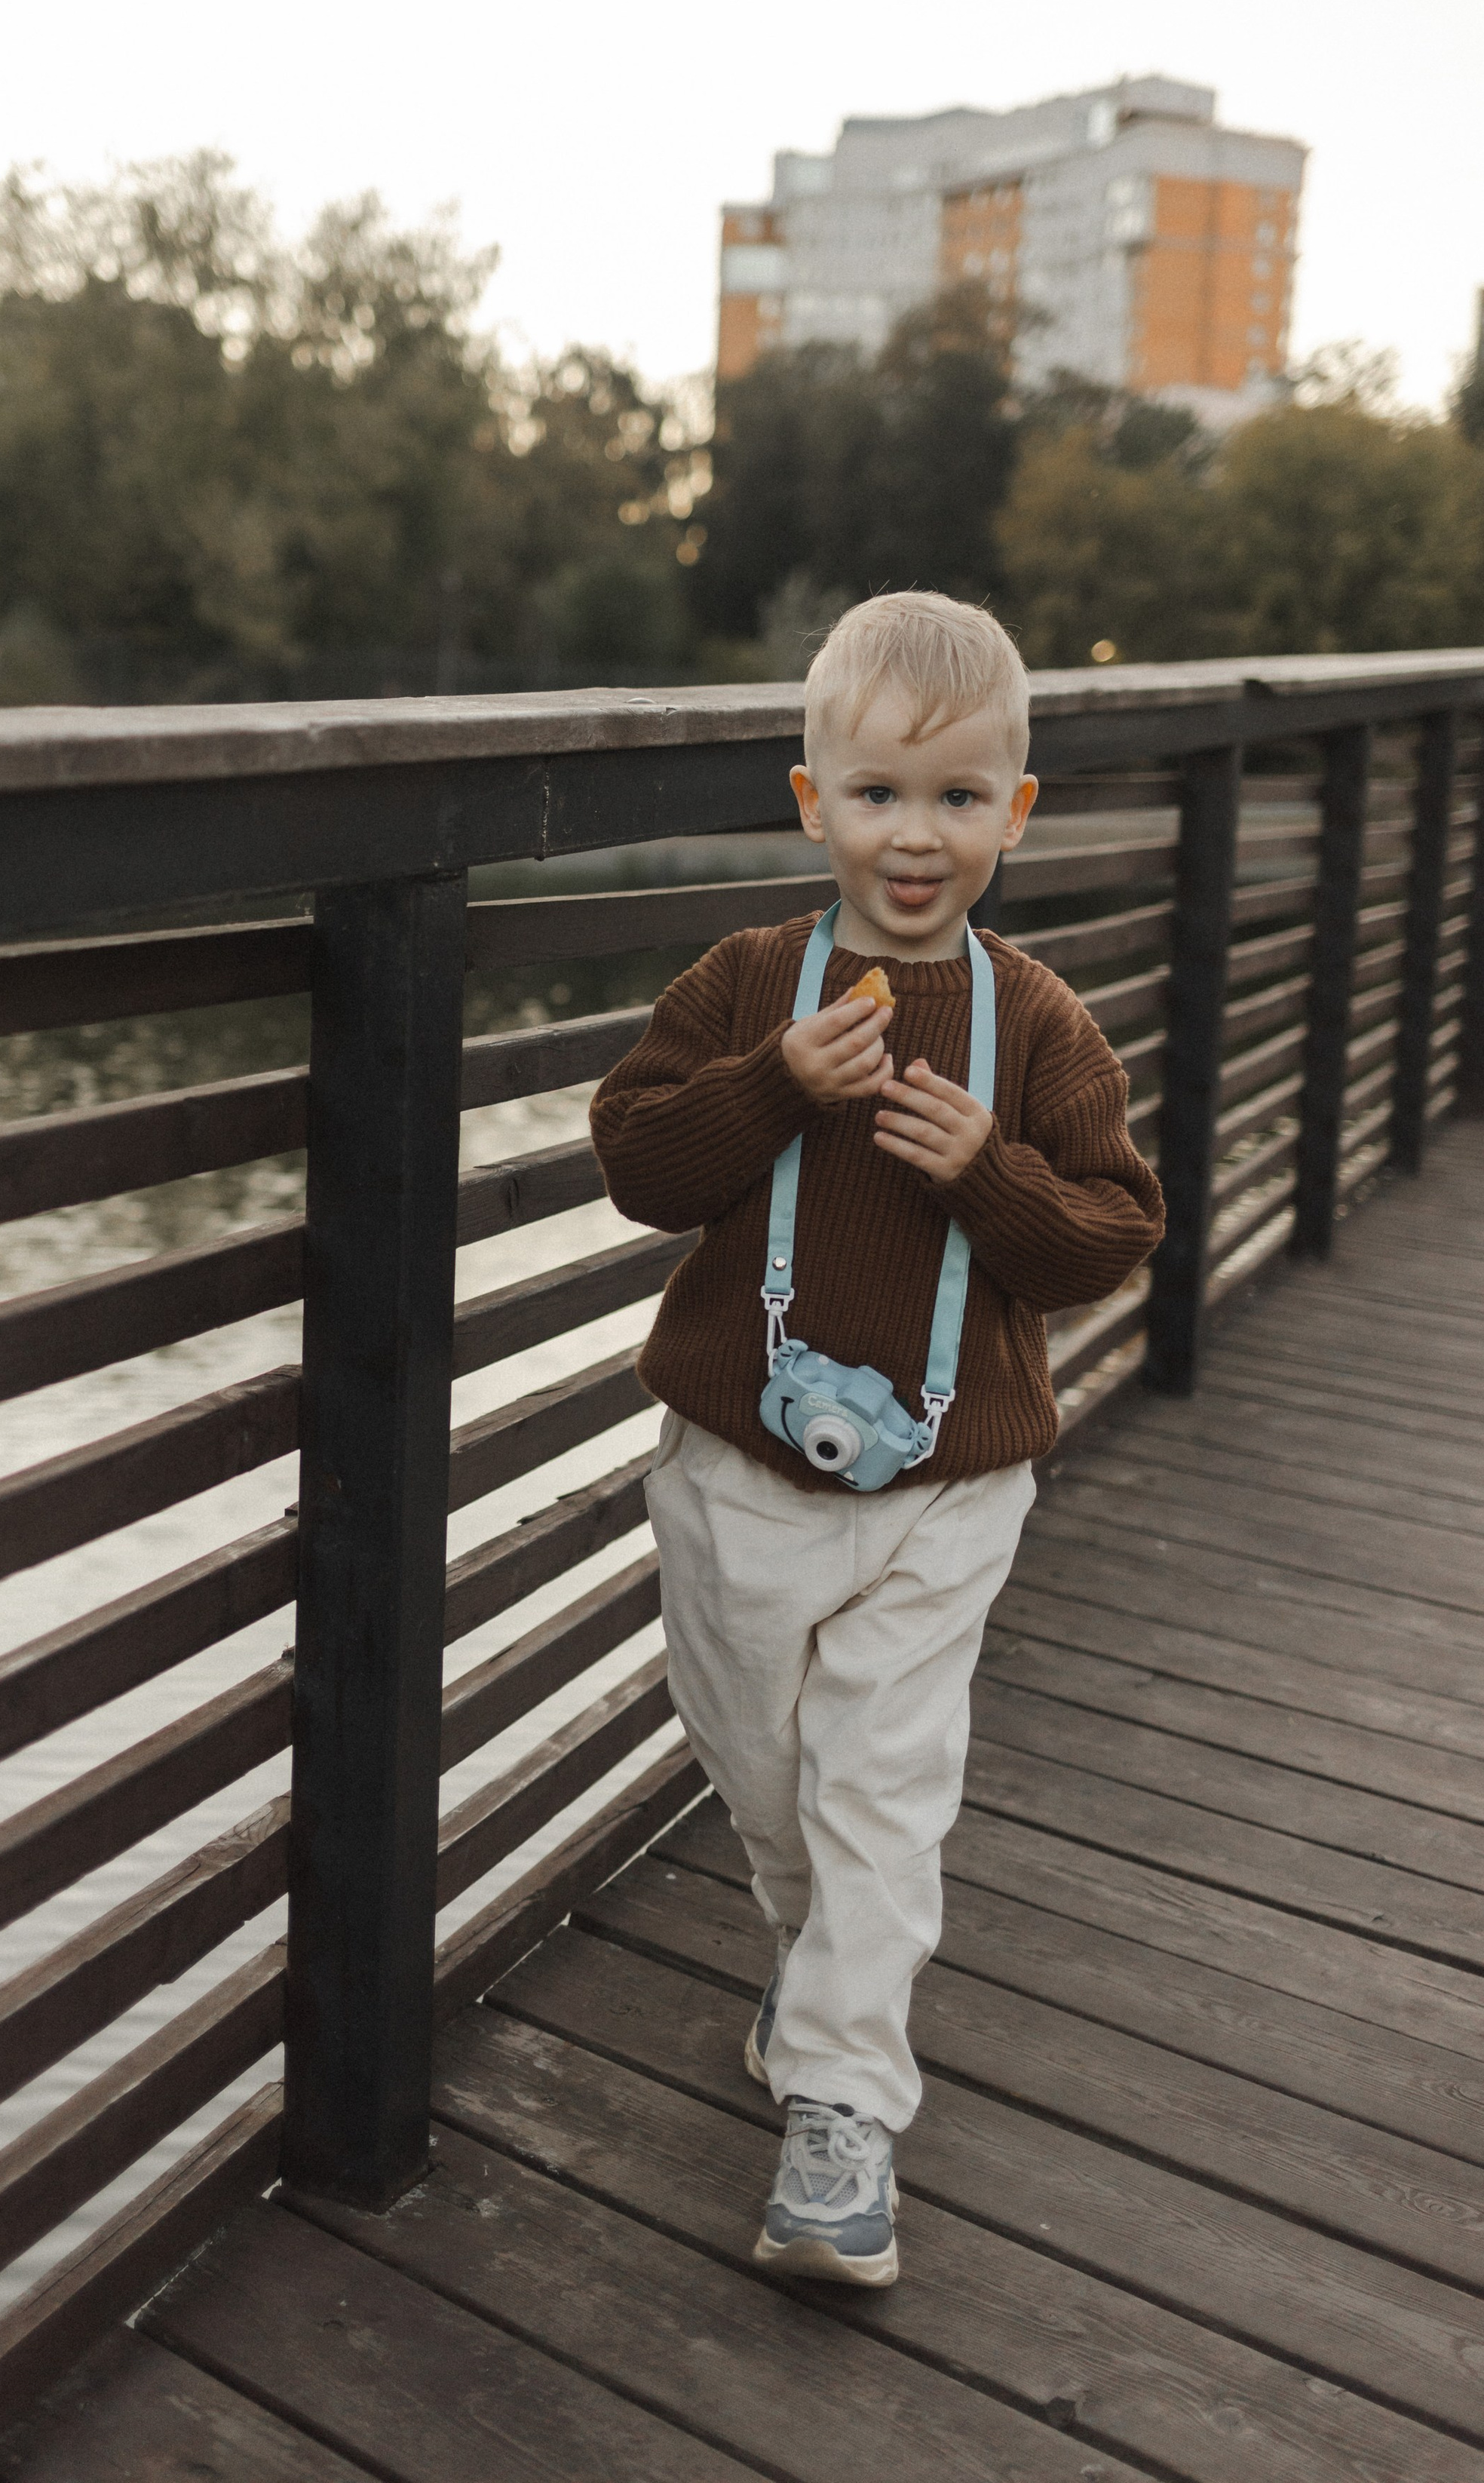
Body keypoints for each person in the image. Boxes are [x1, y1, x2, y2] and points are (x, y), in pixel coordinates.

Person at [590, 591, 1163, 2287]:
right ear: (809, 801)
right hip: (732, 1477)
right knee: (763, 1769)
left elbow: (1110, 1233)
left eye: (959, 799)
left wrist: (988, 1168)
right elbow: (638, 1167)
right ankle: (816, 1972)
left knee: (880, 1796)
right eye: (878, 796)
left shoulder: (1036, 1021)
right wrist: (768, 1087)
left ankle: (842, 2118)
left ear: (1015, 812)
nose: (915, 840)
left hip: (948, 1483)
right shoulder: (747, 982)